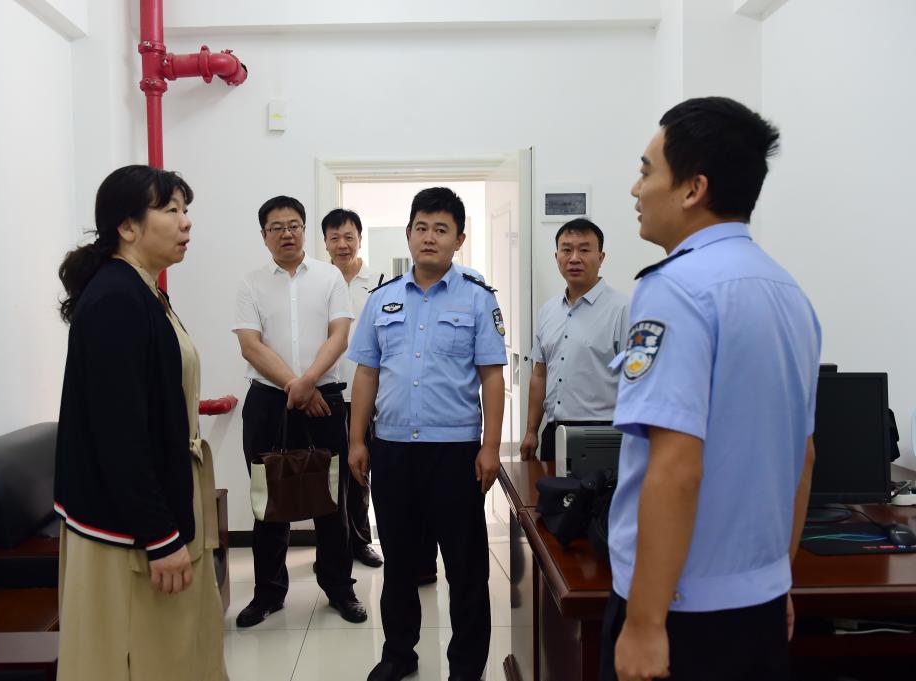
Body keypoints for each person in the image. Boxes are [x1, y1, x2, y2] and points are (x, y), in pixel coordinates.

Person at [601, 97, 821, 681]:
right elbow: (802, 456)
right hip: (760, 604)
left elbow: (676, 467)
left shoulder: (675, 289)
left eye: (647, 171)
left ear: (693, 189)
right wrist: (776, 579)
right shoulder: (788, 292)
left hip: (681, 613)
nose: (635, 189)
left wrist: (645, 624)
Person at [54, 165, 226, 681]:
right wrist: (161, 536)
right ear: (127, 226)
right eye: (171, 210)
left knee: (179, 651)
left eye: (186, 210)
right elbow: (119, 435)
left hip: (161, 503)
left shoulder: (143, 290)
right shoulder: (116, 299)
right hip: (126, 531)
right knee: (140, 658)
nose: (186, 222)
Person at [348, 187, 507, 681]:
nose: (429, 237)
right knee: (399, 560)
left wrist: (490, 447)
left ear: (459, 239)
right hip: (393, 449)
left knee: (465, 565)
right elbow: (366, 374)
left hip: (455, 452)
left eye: (441, 229)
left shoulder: (477, 299)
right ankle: (399, 653)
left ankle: (466, 666)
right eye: (421, 227)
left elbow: (492, 377)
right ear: (409, 233)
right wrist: (357, 440)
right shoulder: (382, 300)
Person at [233, 195, 367, 628]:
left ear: (304, 230)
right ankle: (268, 593)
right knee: (267, 498)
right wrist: (298, 386)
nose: (287, 233)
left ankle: (339, 588)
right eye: (277, 227)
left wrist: (309, 382)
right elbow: (250, 345)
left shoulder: (329, 278)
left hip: (324, 401)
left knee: (332, 499)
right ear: (264, 235)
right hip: (269, 404)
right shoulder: (251, 283)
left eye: (294, 225)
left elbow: (339, 335)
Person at [519, 218, 629, 462]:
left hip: (603, 435)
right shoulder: (548, 311)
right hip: (553, 432)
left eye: (584, 250)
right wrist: (531, 431)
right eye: (566, 250)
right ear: (556, 256)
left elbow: (635, 379)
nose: (574, 258)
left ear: (601, 257)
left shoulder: (623, 309)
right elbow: (540, 374)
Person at [321, 208, 385, 568]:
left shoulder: (379, 283)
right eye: (335, 238)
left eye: (349, 237)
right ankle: (333, 547)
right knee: (331, 475)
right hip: (327, 393)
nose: (342, 244)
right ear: (325, 243)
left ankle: (361, 541)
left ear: (360, 239)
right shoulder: (318, 282)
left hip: (367, 397)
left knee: (361, 471)